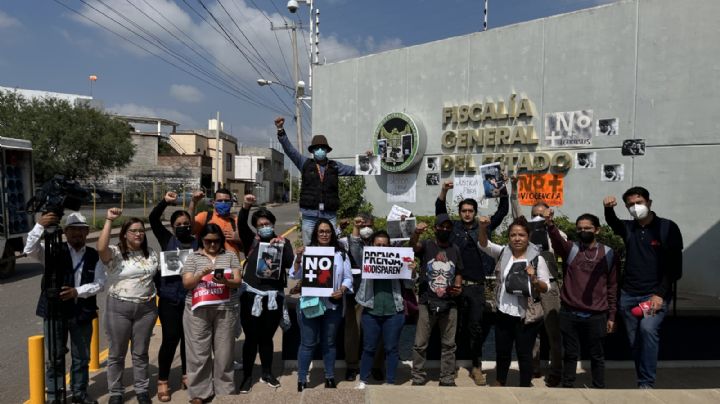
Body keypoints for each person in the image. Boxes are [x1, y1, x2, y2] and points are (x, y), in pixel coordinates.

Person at [604, 187, 683, 389]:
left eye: (639, 202)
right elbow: (613, 223)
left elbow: (675, 267)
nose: (635, 207)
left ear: (649, 202)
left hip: (652, 296)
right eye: (630, 204)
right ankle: (642, 380)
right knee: (634, 341)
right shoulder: (629, 228)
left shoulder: (667, 228)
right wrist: (608, 209)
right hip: (629, 295)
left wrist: (659, 295)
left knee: (648, 330)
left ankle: (646, 383)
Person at [25, 212, 106, 404]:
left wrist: (77, 291)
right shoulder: (52, 250)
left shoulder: (94, 255)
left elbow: (101, 283)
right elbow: (29, 249)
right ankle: (54, 395)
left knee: (82, 357)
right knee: (55, 357)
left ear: (87, 232)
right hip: (54, 312)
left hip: (82, 311)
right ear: (66, 232)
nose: (77, 234)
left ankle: (79, 391)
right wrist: (40, 226)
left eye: (81, 230)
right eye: (73, 230)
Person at [435, 179, 509, 385]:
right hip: (454, 287)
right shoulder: (453, 228)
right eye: (464, 210)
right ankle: (450, 368)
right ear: (459, 213)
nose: (467, 213)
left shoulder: (484, 226)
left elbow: (503, 211)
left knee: (475, 329)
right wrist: (444, 191)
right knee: (453, 328)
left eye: (470, 210)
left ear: (475, 212)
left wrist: (502, 188)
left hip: (476, 287)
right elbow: (439, 211)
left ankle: (476, 367)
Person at [544, 210, 619, 388]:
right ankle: (568, 385)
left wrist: (612, 316)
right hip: (570, 313)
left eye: (588, 228)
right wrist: (550, 223)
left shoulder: (608, 253)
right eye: (579, 228)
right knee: (570, 353)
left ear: (597, 230)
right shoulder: (571, 249)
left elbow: (613, 286)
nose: (583, 231)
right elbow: (556, 241)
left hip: (597, 315)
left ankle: (599, 387)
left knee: (597, 355)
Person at [477, 216, 550, 387]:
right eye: (513, 235)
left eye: (521, 235)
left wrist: (534, 279)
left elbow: (546, 287)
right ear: (509, 237)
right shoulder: (503, 252)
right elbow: (483, 244)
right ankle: (500, 380)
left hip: (526, 316)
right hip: (503, 312)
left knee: (524, 354)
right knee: (502, 352)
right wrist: (482, 227)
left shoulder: (537, 259)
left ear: (528, 236)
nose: (517, 239)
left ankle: (525, 385)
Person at [98, 208, 159, 404]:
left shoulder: (151, 253)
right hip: (119, 308)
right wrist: (109, 220)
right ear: (125, 234)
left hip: (146, 309)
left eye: (141, 230)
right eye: (133, 231)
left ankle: (142, 389)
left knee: (140, 352)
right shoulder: (115, 253)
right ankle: (116, 392)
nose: (139, 234)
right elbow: (101, 248)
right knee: (116, 353)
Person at [236, 194, 294, 394]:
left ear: (273, 223)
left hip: (273, 298)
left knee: (267, 337)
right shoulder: (250, 241)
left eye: (267, 223)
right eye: (260, 224)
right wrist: (246, 206)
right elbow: (241, 223)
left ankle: (267, 372)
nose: (264, 226)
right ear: (256, 227)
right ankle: (246, 375)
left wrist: (281, 246)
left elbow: (288, 263)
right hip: (251, 296)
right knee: (251, 337)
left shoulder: (283, 243)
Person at [182, 224, 243, 403]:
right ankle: (200, 392)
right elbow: (187, 283)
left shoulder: (230, 256)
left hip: (225, 309)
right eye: (208, 241)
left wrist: (225, 280)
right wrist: (201, 273)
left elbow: (238, 281)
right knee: (198, 353)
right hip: (198, 311)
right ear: (202, 240)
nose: (213, 245)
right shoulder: (193, 257)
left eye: (216, 241)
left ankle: (225, 390)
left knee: (224, 353)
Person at [290, 219, 353, 391]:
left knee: (329, 343)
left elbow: (348, 277)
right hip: (310, 305)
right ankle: (302, 379)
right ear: (315, 234)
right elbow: (294, 275)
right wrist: (298, 258)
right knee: (307, 343)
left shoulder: (341, 254)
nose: (324, 234)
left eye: (328, 231)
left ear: (332, 233)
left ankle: (330, 377)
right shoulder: (307, 252)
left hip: (332, 306)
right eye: (321, 231)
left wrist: (343, 289)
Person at [274, 116, 357, 246]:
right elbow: (289, 150)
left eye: (323, 148)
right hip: (309, 214)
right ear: (312, 150)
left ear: (327, 150)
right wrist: (280, 130)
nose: (320, 150)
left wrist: (370, 161)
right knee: (309, 246)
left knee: (330, 245)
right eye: (317, 148)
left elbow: (354, 170)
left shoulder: (335, 166)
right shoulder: (304, 163)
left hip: (329, 213)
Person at [149, 191, 199, 402]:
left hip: (193, 298)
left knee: (190, 339)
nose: (183, 226)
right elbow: (153, 219)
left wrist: (193, 203)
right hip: (170, 298)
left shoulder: (198, 243)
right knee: (170, 339)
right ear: (172, 227)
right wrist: (165, 202)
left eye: (186, 223)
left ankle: (187, 375)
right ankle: (163, 380)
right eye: (178, 224)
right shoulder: (167, 239)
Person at [510, 197, 564, 387]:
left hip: (549, 286)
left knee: (553, 332)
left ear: (549, 214)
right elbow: (516, 213)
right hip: (530, 285)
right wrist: (514, 190)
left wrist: (550, 226)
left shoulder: (557, 234)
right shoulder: (526, 234)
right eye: (535, 215)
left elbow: (562, 249)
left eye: (542, 214)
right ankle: (533, 368)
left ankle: (556, 370)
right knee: (532, 330)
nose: (538, 217)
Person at [354, 230, 416, 389]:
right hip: (370, 311)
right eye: (378, 245)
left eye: (384, 245)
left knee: (391, 348)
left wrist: (412, 270)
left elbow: (409, 284)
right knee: (368, 348)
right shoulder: (366, 259)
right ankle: (363, 380)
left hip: (394, 312)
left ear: (389, 246)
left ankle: (390, 381)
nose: (381, 247)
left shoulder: (397, 260)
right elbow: (354, 247)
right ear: (372, 245)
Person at [409, 213, 464, 387]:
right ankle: (418, 376)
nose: (445, 230)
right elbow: (413, 246)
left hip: (450, 303)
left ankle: (447, 377)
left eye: (448, 227)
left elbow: (459, 271)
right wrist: (416, 233)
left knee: (449, 344)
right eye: (442, 227)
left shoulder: (455, 249)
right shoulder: (427, 245)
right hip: (427, 301)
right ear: (435, 229)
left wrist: (458, 287)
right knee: (420, 343)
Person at [342, 214, 384, 381]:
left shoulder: (381, 243)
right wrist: (355, 228)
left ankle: (376, 366)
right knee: (353, 331)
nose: (365, 227)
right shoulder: (350, 241)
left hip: (378, 294)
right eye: (362, 224)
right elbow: (353, 243)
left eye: (368, 224)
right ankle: (352, 366)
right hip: (356, 294)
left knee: (378, 332)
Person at [189, 188, 242, 255]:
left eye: (226, 201)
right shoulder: (205, 217)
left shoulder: (236, 220)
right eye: (220, 201)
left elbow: (247, 244)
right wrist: (193, 202)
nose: (223, 203)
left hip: (231, 263)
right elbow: (191, 229)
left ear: (231, 203)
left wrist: (239, 239)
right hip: (209, 263)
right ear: (214, 203)